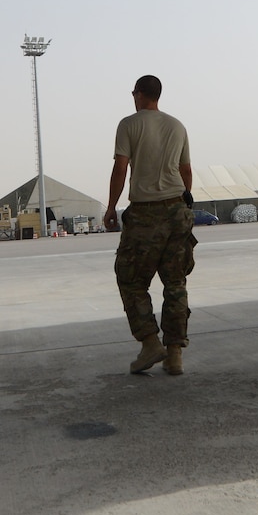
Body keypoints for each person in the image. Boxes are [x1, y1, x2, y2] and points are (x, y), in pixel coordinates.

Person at [103, 75, 196, 375]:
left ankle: (149, 342)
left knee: (130, 279)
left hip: (144, 214)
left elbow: (120, 166)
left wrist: (110, 207)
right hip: (176, 210)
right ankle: (175, 354)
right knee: (175, 283)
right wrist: (183, 200)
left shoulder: (129, 124)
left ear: (140, 95)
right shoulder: (177, 126)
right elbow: (186, 171)